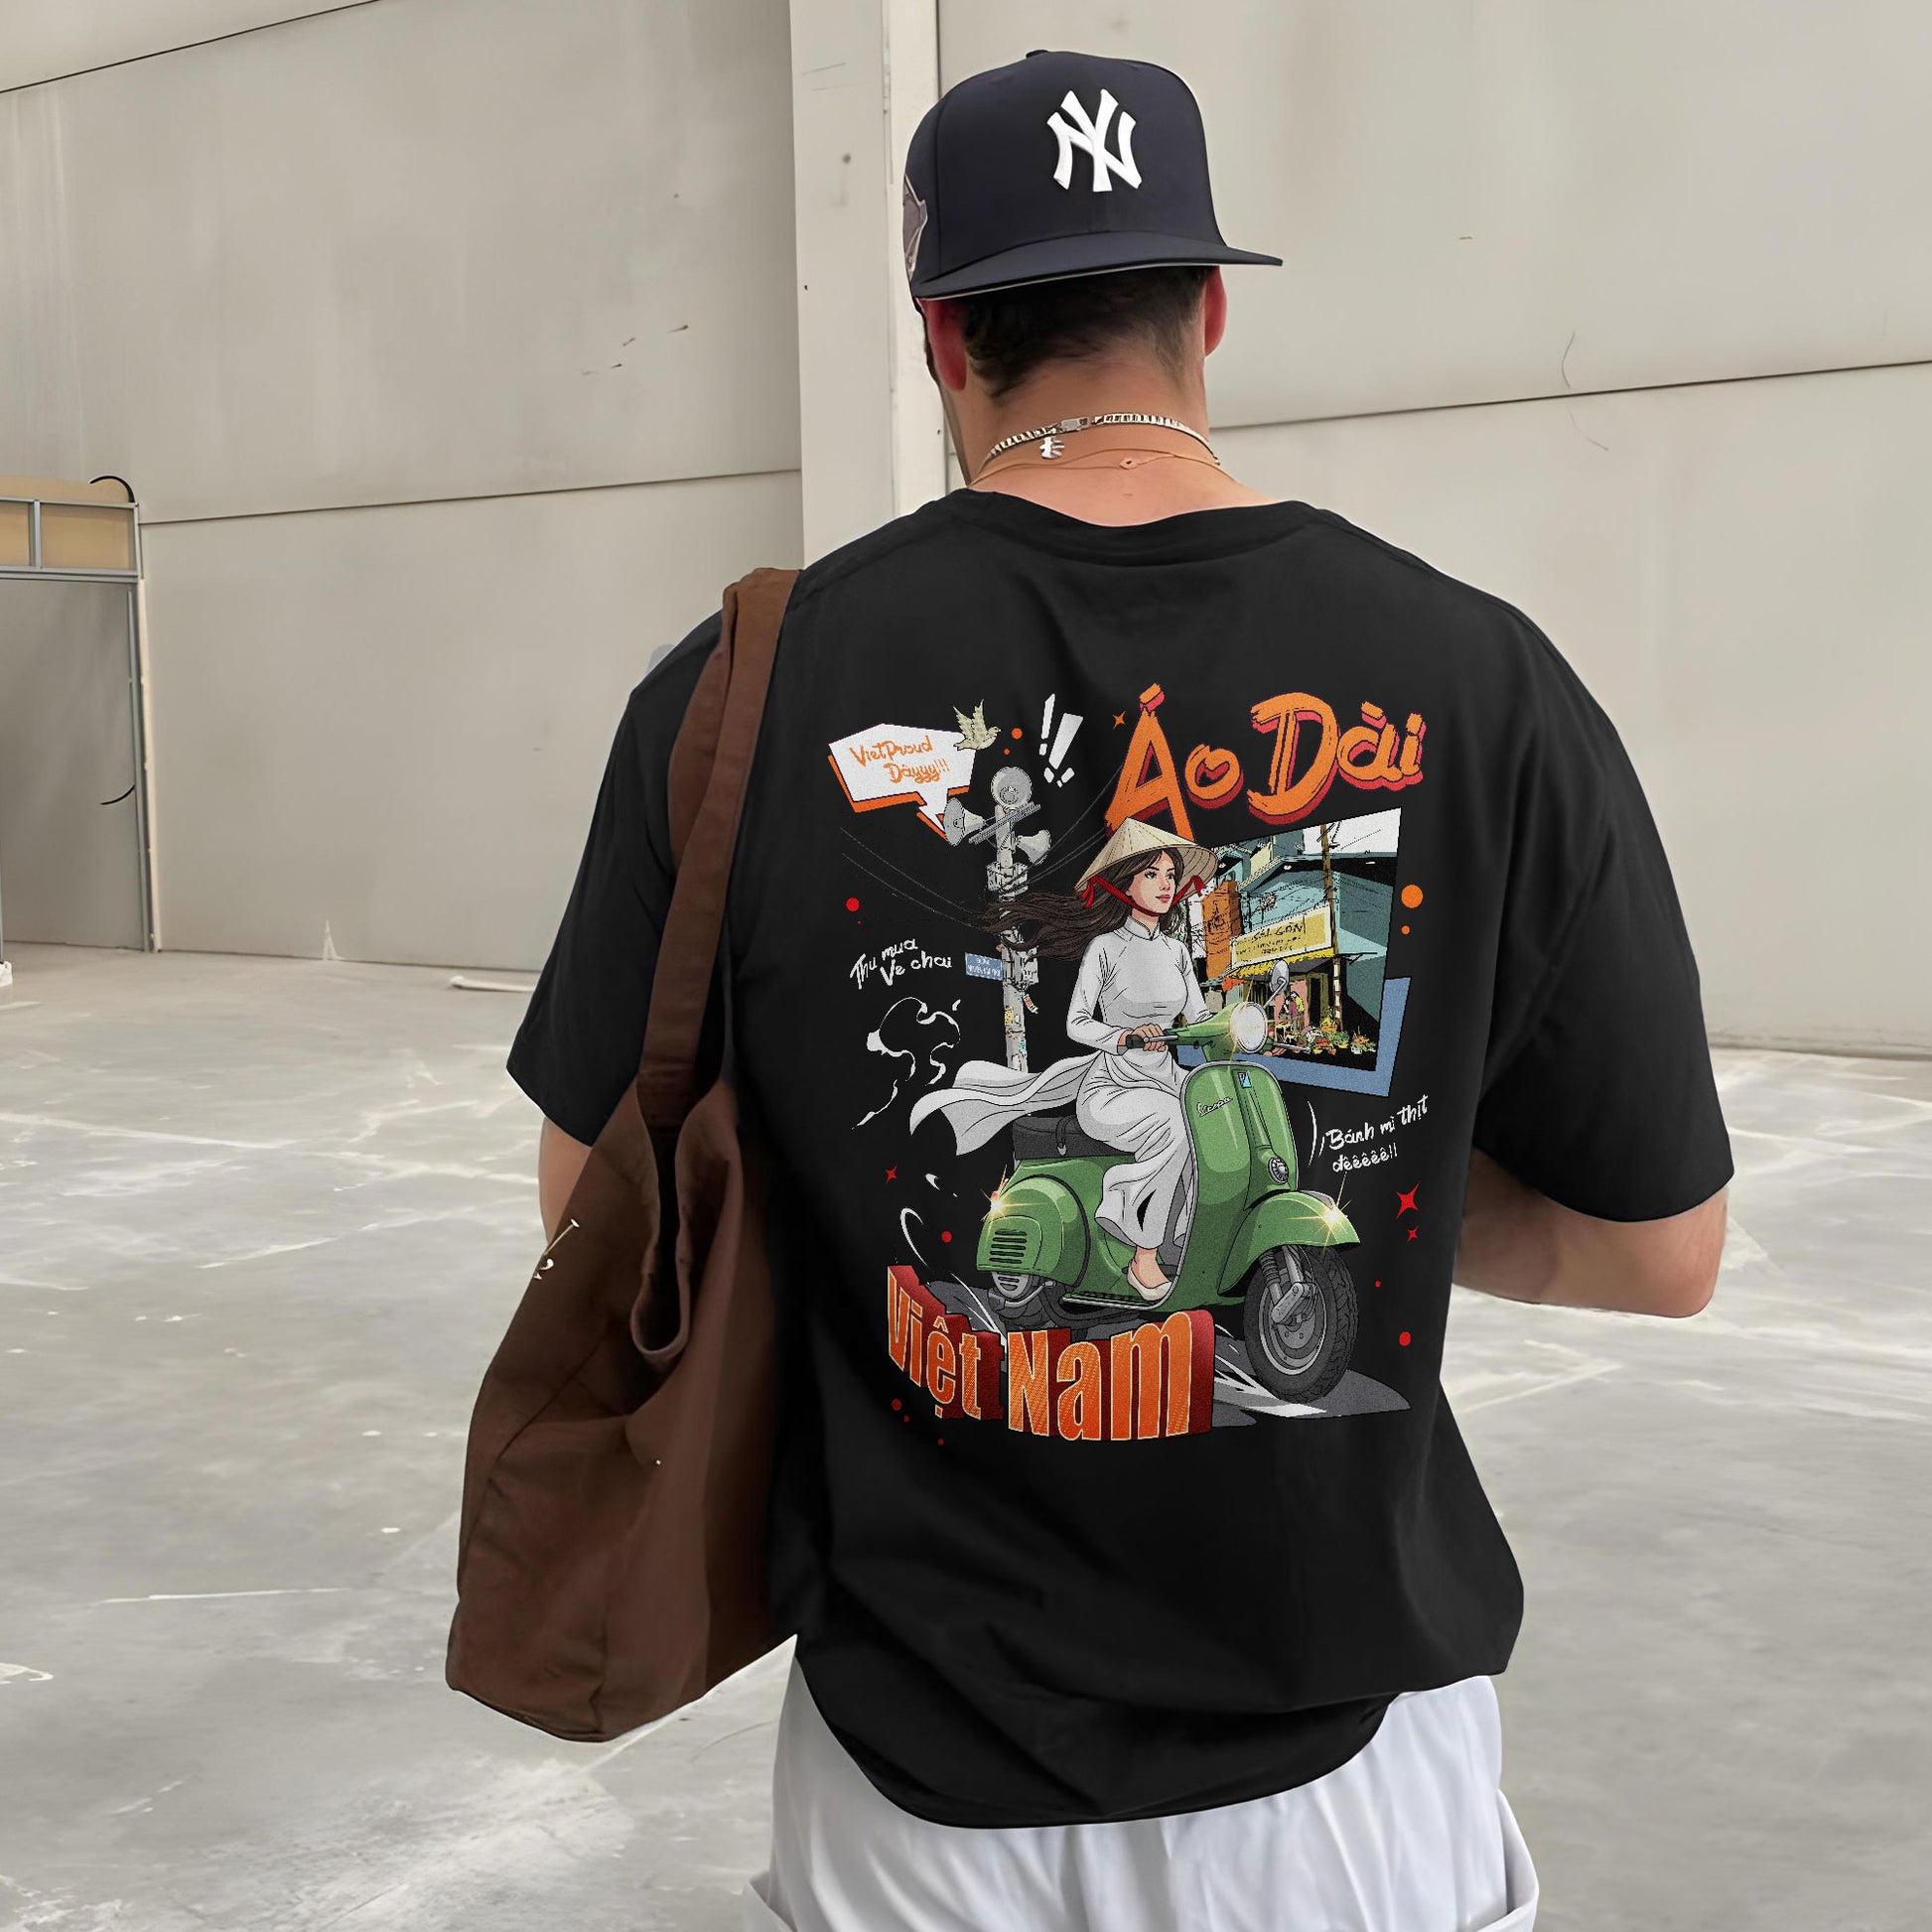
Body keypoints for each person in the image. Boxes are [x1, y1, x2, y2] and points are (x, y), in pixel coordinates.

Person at [506, 47, 1730, 1932]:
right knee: (1138, 1135)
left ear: (941, 336)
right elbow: (1659, 1251)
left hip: (916, 1784)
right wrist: (1403, 1194)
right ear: (1208, 310)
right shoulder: (1484, 680)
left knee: (1171, 1134)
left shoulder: (740, 691)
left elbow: (595, 1195)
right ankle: (1143, 1254)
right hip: (1347, 1787)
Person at [911, 819, 1216, 1298]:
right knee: (1177, 1126)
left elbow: (1199, 1017)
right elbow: (1077, 1023)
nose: (1164, 885)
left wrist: (1235, 1025)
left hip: (1170, 1080)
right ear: (1125, 884)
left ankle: (1187, 1234)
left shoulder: (1178, 952)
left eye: (1171, 876)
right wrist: (1124, 1036)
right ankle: (1142, 1253)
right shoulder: (1105, 948)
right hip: (1113, 1088)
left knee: (1216, 1120)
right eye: (1151, 874)